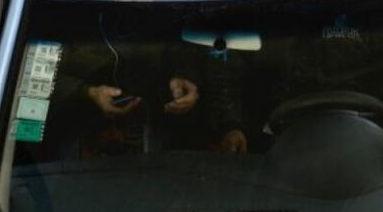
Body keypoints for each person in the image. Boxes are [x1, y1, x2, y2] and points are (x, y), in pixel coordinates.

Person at [49, 11, 248, 156]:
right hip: (80, 133)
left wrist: (183, 83)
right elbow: (35, 80)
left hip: (157, 132)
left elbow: (216, 57)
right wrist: (87, 92)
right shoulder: (64, 11)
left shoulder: (182, 3)